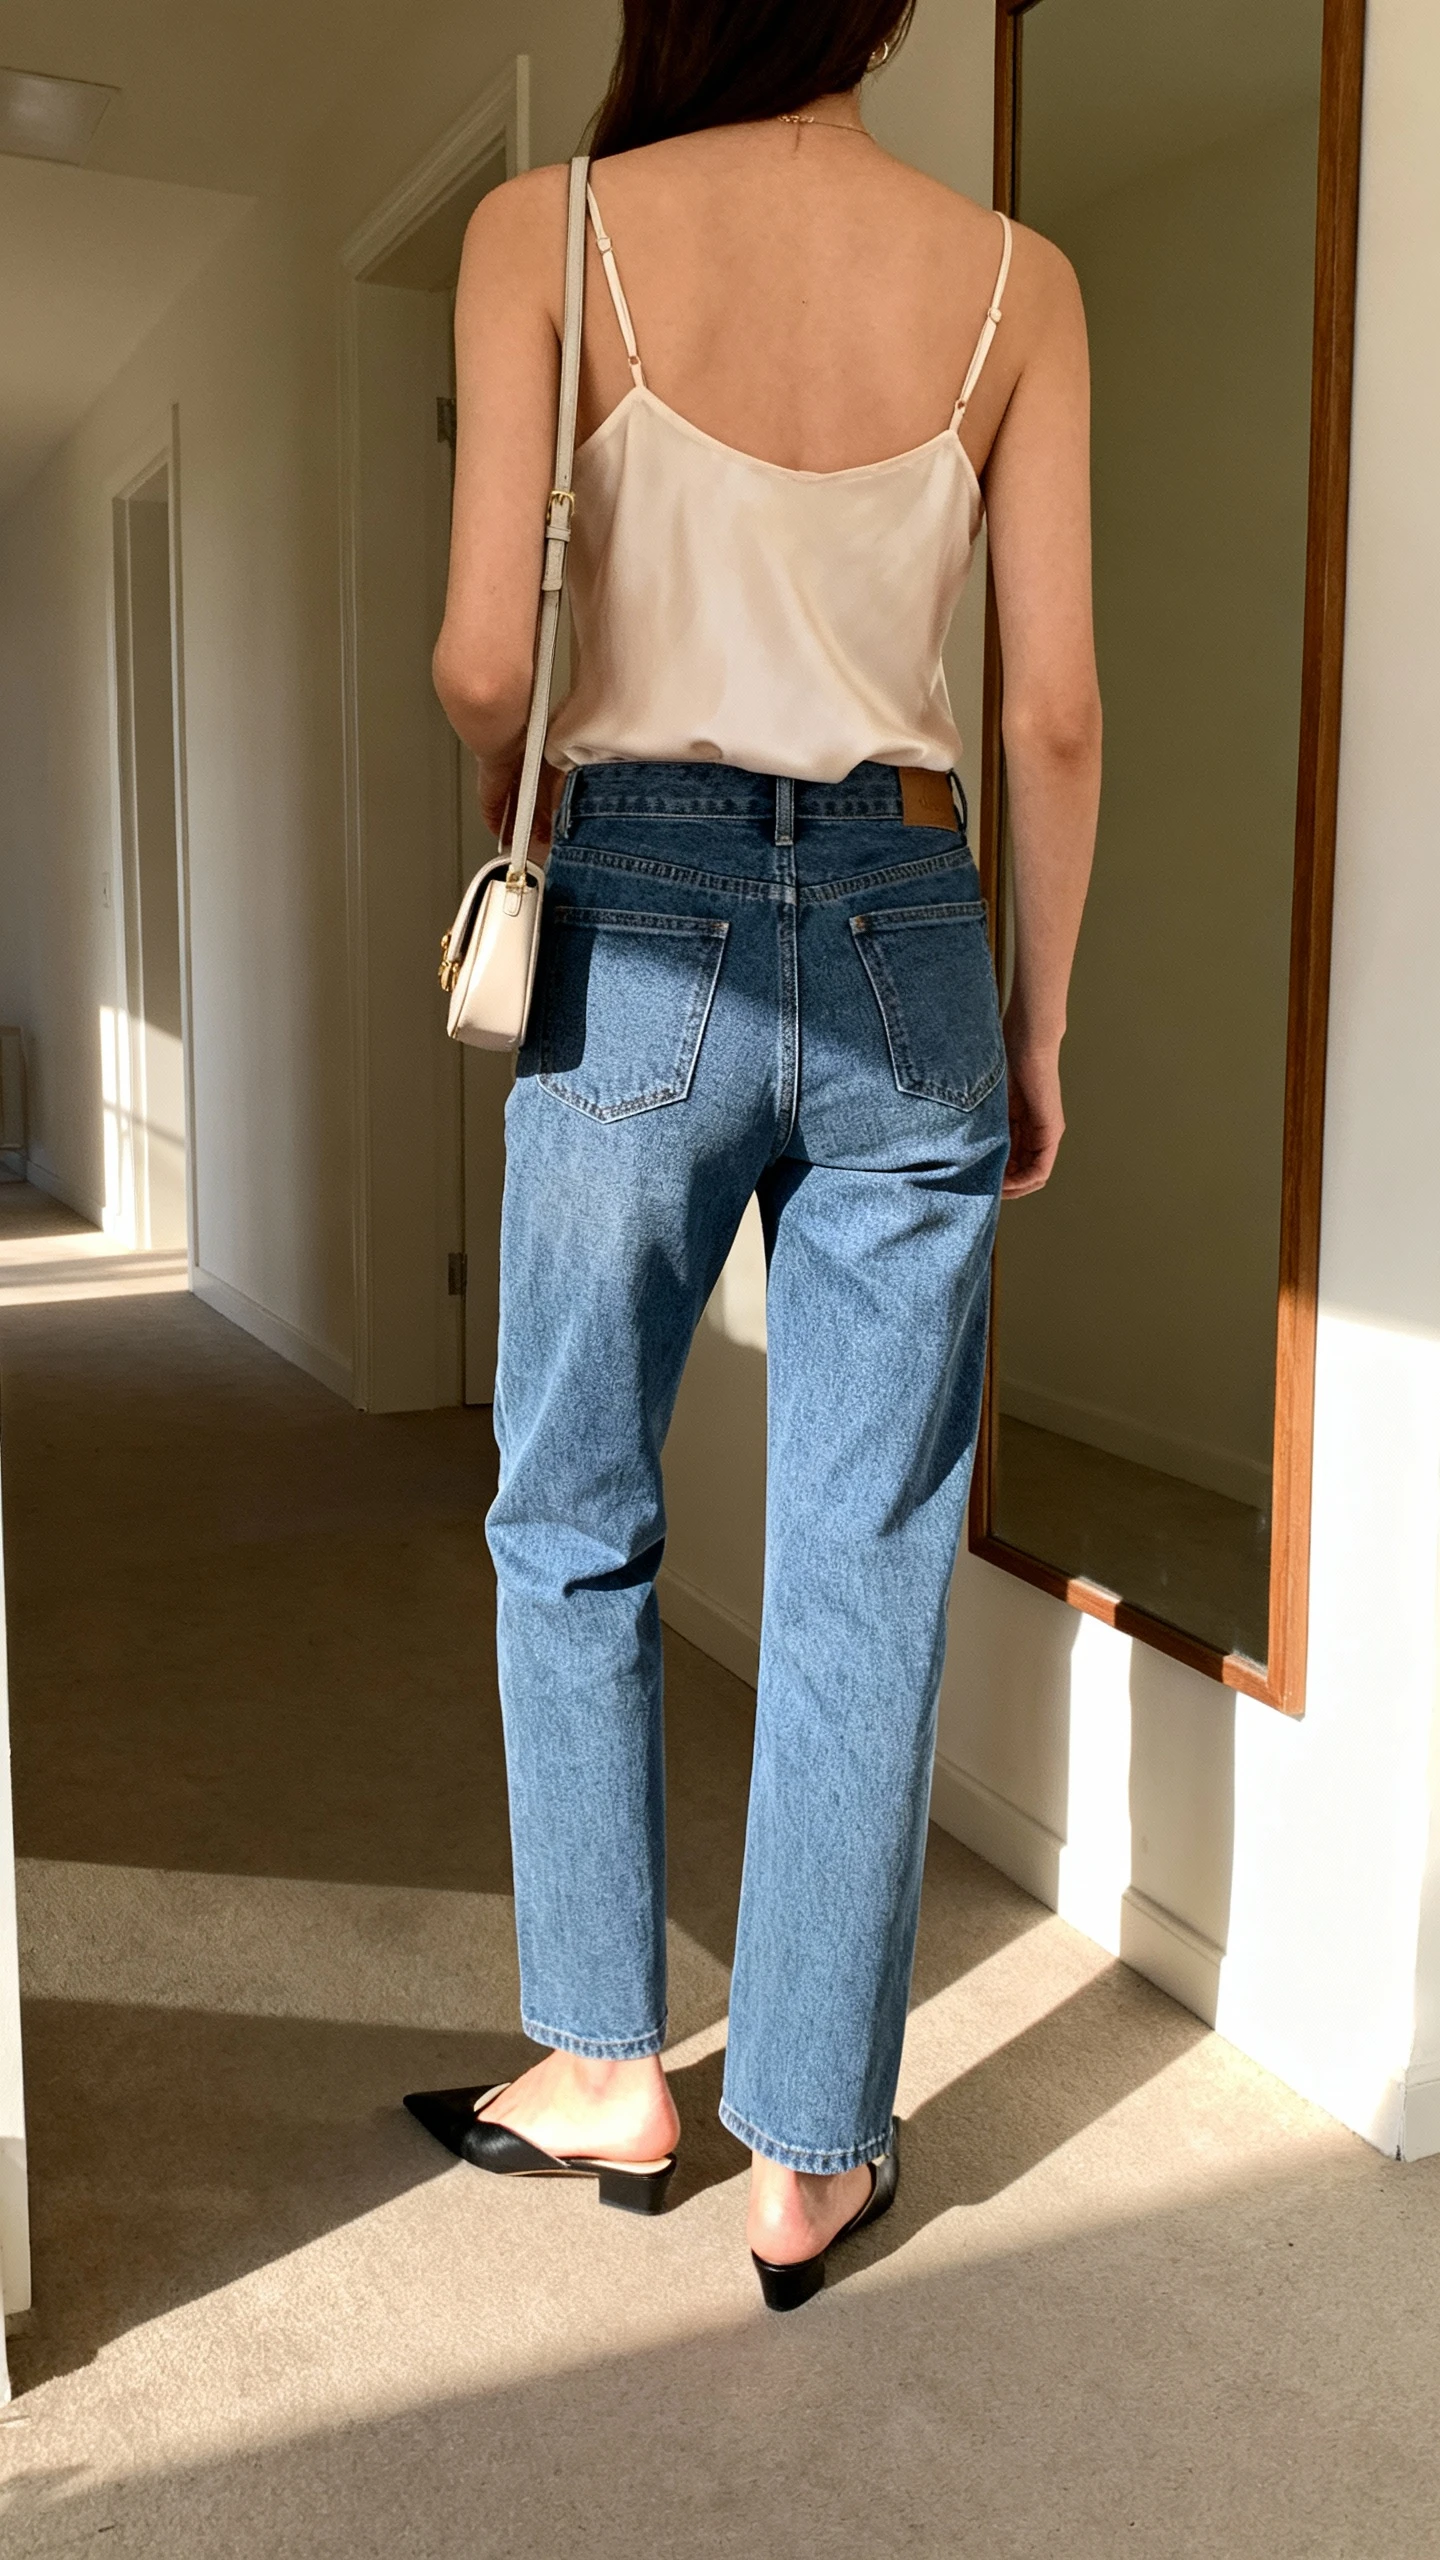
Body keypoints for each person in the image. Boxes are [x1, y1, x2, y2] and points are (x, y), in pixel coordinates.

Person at [407, 0, 1100, 2310]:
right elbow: (1053, 712)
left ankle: (609, 2061)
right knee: (866, 1547)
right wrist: (1038, 1018)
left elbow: (479, 666)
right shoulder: (1016, 282)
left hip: (640, 897)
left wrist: (528, 832)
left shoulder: (552, 227)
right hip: (912, 915)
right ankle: (814, 2149)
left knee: (575, 1488)